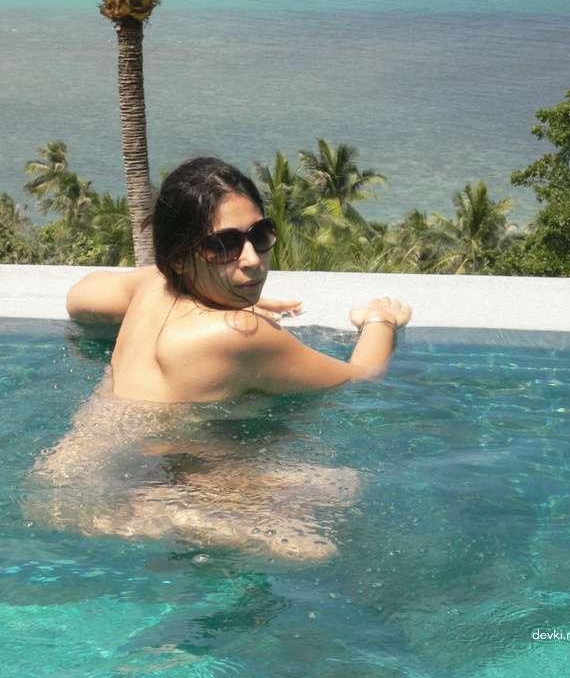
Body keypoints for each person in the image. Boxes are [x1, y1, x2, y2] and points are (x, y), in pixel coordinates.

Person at [30, 157, 412, 562]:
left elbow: (79, 297)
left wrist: (221, 292)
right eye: (223, 246)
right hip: (125, 498)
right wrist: (380, 320)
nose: (251, 259)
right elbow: (363, 374)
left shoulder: (152, 286)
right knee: (333, 513)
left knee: (330, 487)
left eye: (260, 235)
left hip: (71, 473)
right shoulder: (236, 335)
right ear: (180, 258)